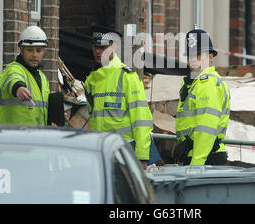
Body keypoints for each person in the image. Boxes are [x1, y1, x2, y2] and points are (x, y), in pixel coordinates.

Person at [84, 25, 160, 168]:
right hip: (101, 152)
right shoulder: (91, 80)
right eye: (95, 47)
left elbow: (141, 119)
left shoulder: (128, 77)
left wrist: (143, 156)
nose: (98, 51)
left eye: (103, 47)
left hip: (126, 151)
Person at [174, 28, 231, 165]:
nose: (193, 59)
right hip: (197, 155)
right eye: (190, 55)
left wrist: (196, 164)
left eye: (198, 55)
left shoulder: (208, 84)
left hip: (205, 158)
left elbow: (207, 127)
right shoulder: (194, 83)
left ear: (210, 57)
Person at [0, 25, 51, 126]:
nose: (34, 55)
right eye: (30, 50)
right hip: (13, 138)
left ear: (43, 51)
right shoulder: (12, 69)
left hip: (37, 138)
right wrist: (18, 87)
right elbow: (13, 78)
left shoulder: (43, 78)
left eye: (38, 50)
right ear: (22, 50)